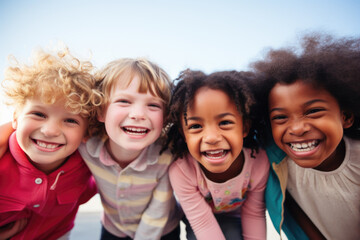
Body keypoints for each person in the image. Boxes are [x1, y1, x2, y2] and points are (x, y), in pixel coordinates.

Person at [250, 33, 360, 240]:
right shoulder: (275, 162)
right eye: (281, 117)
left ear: (345, 116)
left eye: (313, 111)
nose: (298, 128)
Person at [0, 47, 101, 239]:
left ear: (87, 133)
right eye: (39, 114)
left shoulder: (88, 165)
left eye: (71, 120)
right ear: (15, 118)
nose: (50, 131)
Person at [77, 58, 181, 240]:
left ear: (164, 118)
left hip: (162, 230)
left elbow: (158, 211)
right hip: (113, 228)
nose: (138, 114)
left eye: (153, 105)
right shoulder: (87, 146)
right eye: (124, 101)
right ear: (101, 111)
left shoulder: (165, 155)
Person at [164, 70, 269, 240]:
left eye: (225, 123)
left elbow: (254, 214)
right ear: (184, 134)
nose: (212, 138)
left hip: (237, 216)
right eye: (195, 126)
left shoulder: (259, 163)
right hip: (198, 218)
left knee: (233, 233)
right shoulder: (182, 171)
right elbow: (201, 222)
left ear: (244, 127)